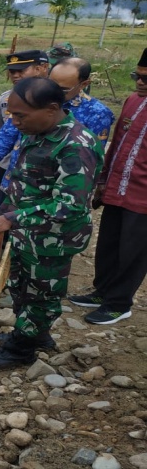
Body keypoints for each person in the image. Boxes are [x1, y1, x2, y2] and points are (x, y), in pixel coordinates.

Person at [0, 78, 103, 368]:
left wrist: (8, 219)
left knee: (41, 293)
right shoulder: (37, 130)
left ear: (52, 109)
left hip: (53, 237)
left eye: (20, 115)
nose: (15, 122)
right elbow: (23, 179)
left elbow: (70, 204)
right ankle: (34, 334)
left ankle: (22, 349)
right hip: (27, 230)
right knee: (21, 286)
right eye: (12, 115)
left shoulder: (76, 145)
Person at [0, 56, 114, 216]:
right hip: (14, 180)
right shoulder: (33, 95)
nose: (52, 92)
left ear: (84, 84)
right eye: (51, 83)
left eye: (62, 89)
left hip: (49, 194)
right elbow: (9, 132)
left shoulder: (96, 113)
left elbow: (89, 161)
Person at [67, 48, 147, 325]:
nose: (139, 82)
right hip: (116, 188)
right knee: (109, 243)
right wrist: (101, 181)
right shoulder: (133, 101)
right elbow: (115, 146)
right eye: (136, 75)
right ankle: (103, 291)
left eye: (145, 79)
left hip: (142, 197)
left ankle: (119, 302)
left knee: (133, 251)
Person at [0, 50, 50, 216]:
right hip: (6, 166)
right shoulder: (5, 99)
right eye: (12, 71)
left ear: (40, 69)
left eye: (21, 71)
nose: (15, 75)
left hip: (37, 171)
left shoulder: (53, 99)